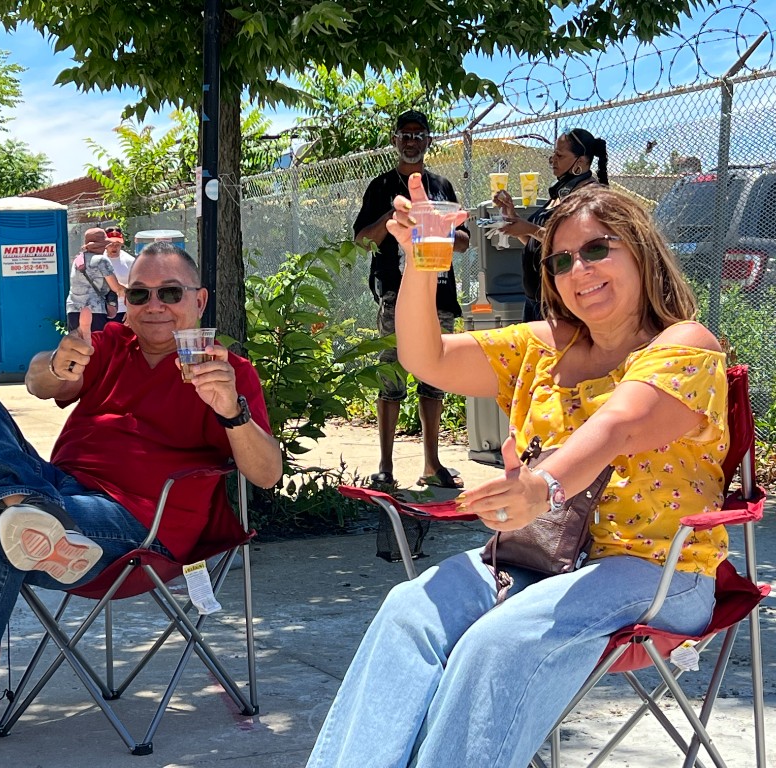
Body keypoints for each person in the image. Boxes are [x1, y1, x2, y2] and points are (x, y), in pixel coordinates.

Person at [307, 180, 727, 768]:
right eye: (561, 260)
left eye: (598, 249)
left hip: (655, 571)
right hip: (538, 558)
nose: (579, 269)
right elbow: (426, 359)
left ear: (641, 251)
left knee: (498, 641)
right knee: (408, 610)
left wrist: (542, 486)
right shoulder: (543, 346)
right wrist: (423, 259)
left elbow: (620, 426)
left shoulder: (685, 345)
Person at [0, 242, 282, 768]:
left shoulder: (227, 371)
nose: (154, 305)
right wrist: (56, 363)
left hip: (137, 528)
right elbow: (39, 381)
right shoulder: (109, 343)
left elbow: (267, 474)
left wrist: (231, 412)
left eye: (170, 292)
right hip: (59, 492)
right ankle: (27, 513)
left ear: (200, 300)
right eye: (139, 293)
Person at [353, 109, 470, 489]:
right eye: (405, 134)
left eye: (419, 134)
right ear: (394, 140)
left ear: (428, 141)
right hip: (396, 295)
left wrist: (437, 222)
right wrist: (396, 210)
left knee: (435, 377)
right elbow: (362, 239)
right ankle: (385, 466)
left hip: (438, 292)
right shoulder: (381, 185)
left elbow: (464, 240)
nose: (411, 140)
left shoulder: (441, 186)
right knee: (390, 376)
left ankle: (431, 465)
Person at [493, 128, 608, 321]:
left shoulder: (590, 197)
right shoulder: (560, 194)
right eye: (553, 154)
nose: (553, 160)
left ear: (580, 162)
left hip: (560, 304)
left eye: (560, 155)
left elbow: (576, 245)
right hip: (536, 300)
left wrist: (530, 228)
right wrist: (512, 216)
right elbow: (537, 244)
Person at [65, 226, 126, 332]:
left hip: (73, 310)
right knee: (95, 345)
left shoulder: (78, 260)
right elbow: (116, 288)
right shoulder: (101, 260)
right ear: (102, 246)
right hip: (94, 311)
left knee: (78, 344)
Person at [104, 225, 135, 324]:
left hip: (123, 310)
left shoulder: (130, 261)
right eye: (111, 243)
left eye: (117, 243)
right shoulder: (99, 260)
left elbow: (136, 288)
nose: (114, 247)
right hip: (103, 310)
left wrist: (131, 310)